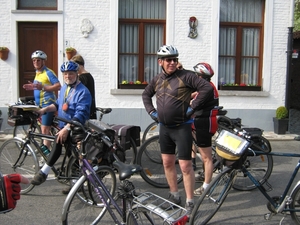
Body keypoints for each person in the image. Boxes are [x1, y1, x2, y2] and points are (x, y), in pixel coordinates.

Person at [142, 45, 214, 217]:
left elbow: (207, 88)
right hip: (164, 128)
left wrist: (192, 108)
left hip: (182, 128)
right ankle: (174, 195)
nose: (172, 63)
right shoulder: (157, 79)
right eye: (168, 60)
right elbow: (146, 94)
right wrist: (152, 112)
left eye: (175, 59)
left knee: (185, 166)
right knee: (167, 163)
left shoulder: (186, 76)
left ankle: (190, 201)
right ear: (160, 62)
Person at [31, 61, 92, 186]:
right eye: (65, 74)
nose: (67, 76)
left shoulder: (83, 92)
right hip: (65, 126)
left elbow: (80, 115)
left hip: (77, 129)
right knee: (71, 157)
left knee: (69, 152)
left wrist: (67, 128)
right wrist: (44, 110)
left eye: (70, 73)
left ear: (76, 74)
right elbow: (58, 104)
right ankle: (74, 184)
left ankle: (44, 172)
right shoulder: (65, 88)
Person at [23, 50, 61, 149]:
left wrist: (42, 88)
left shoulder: (48, 72)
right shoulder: (37, 72)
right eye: (34, 60)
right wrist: (33, 86)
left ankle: (46, 157)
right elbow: (40, 86)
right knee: (45, 129)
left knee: (45, 131)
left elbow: (58, 86)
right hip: (39, 104)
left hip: (48, 105)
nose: (35, 62)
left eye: (38, 60)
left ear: (43, 61)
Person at [191, 62, 219, 196]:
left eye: (196, 76)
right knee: (203, 154)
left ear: (201, 76)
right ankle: (205, 176)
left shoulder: (206, 89)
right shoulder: (207, 86)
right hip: (200, 122)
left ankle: (206, 187)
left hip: (204, 123)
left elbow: (194, 104)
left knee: (207, 157)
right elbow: (195, 95)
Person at [71, 54, 97, 119]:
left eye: (74, 66)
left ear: (79, 65)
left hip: (85, 108)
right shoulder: (89, 76)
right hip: (90, 107)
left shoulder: (82, 78)